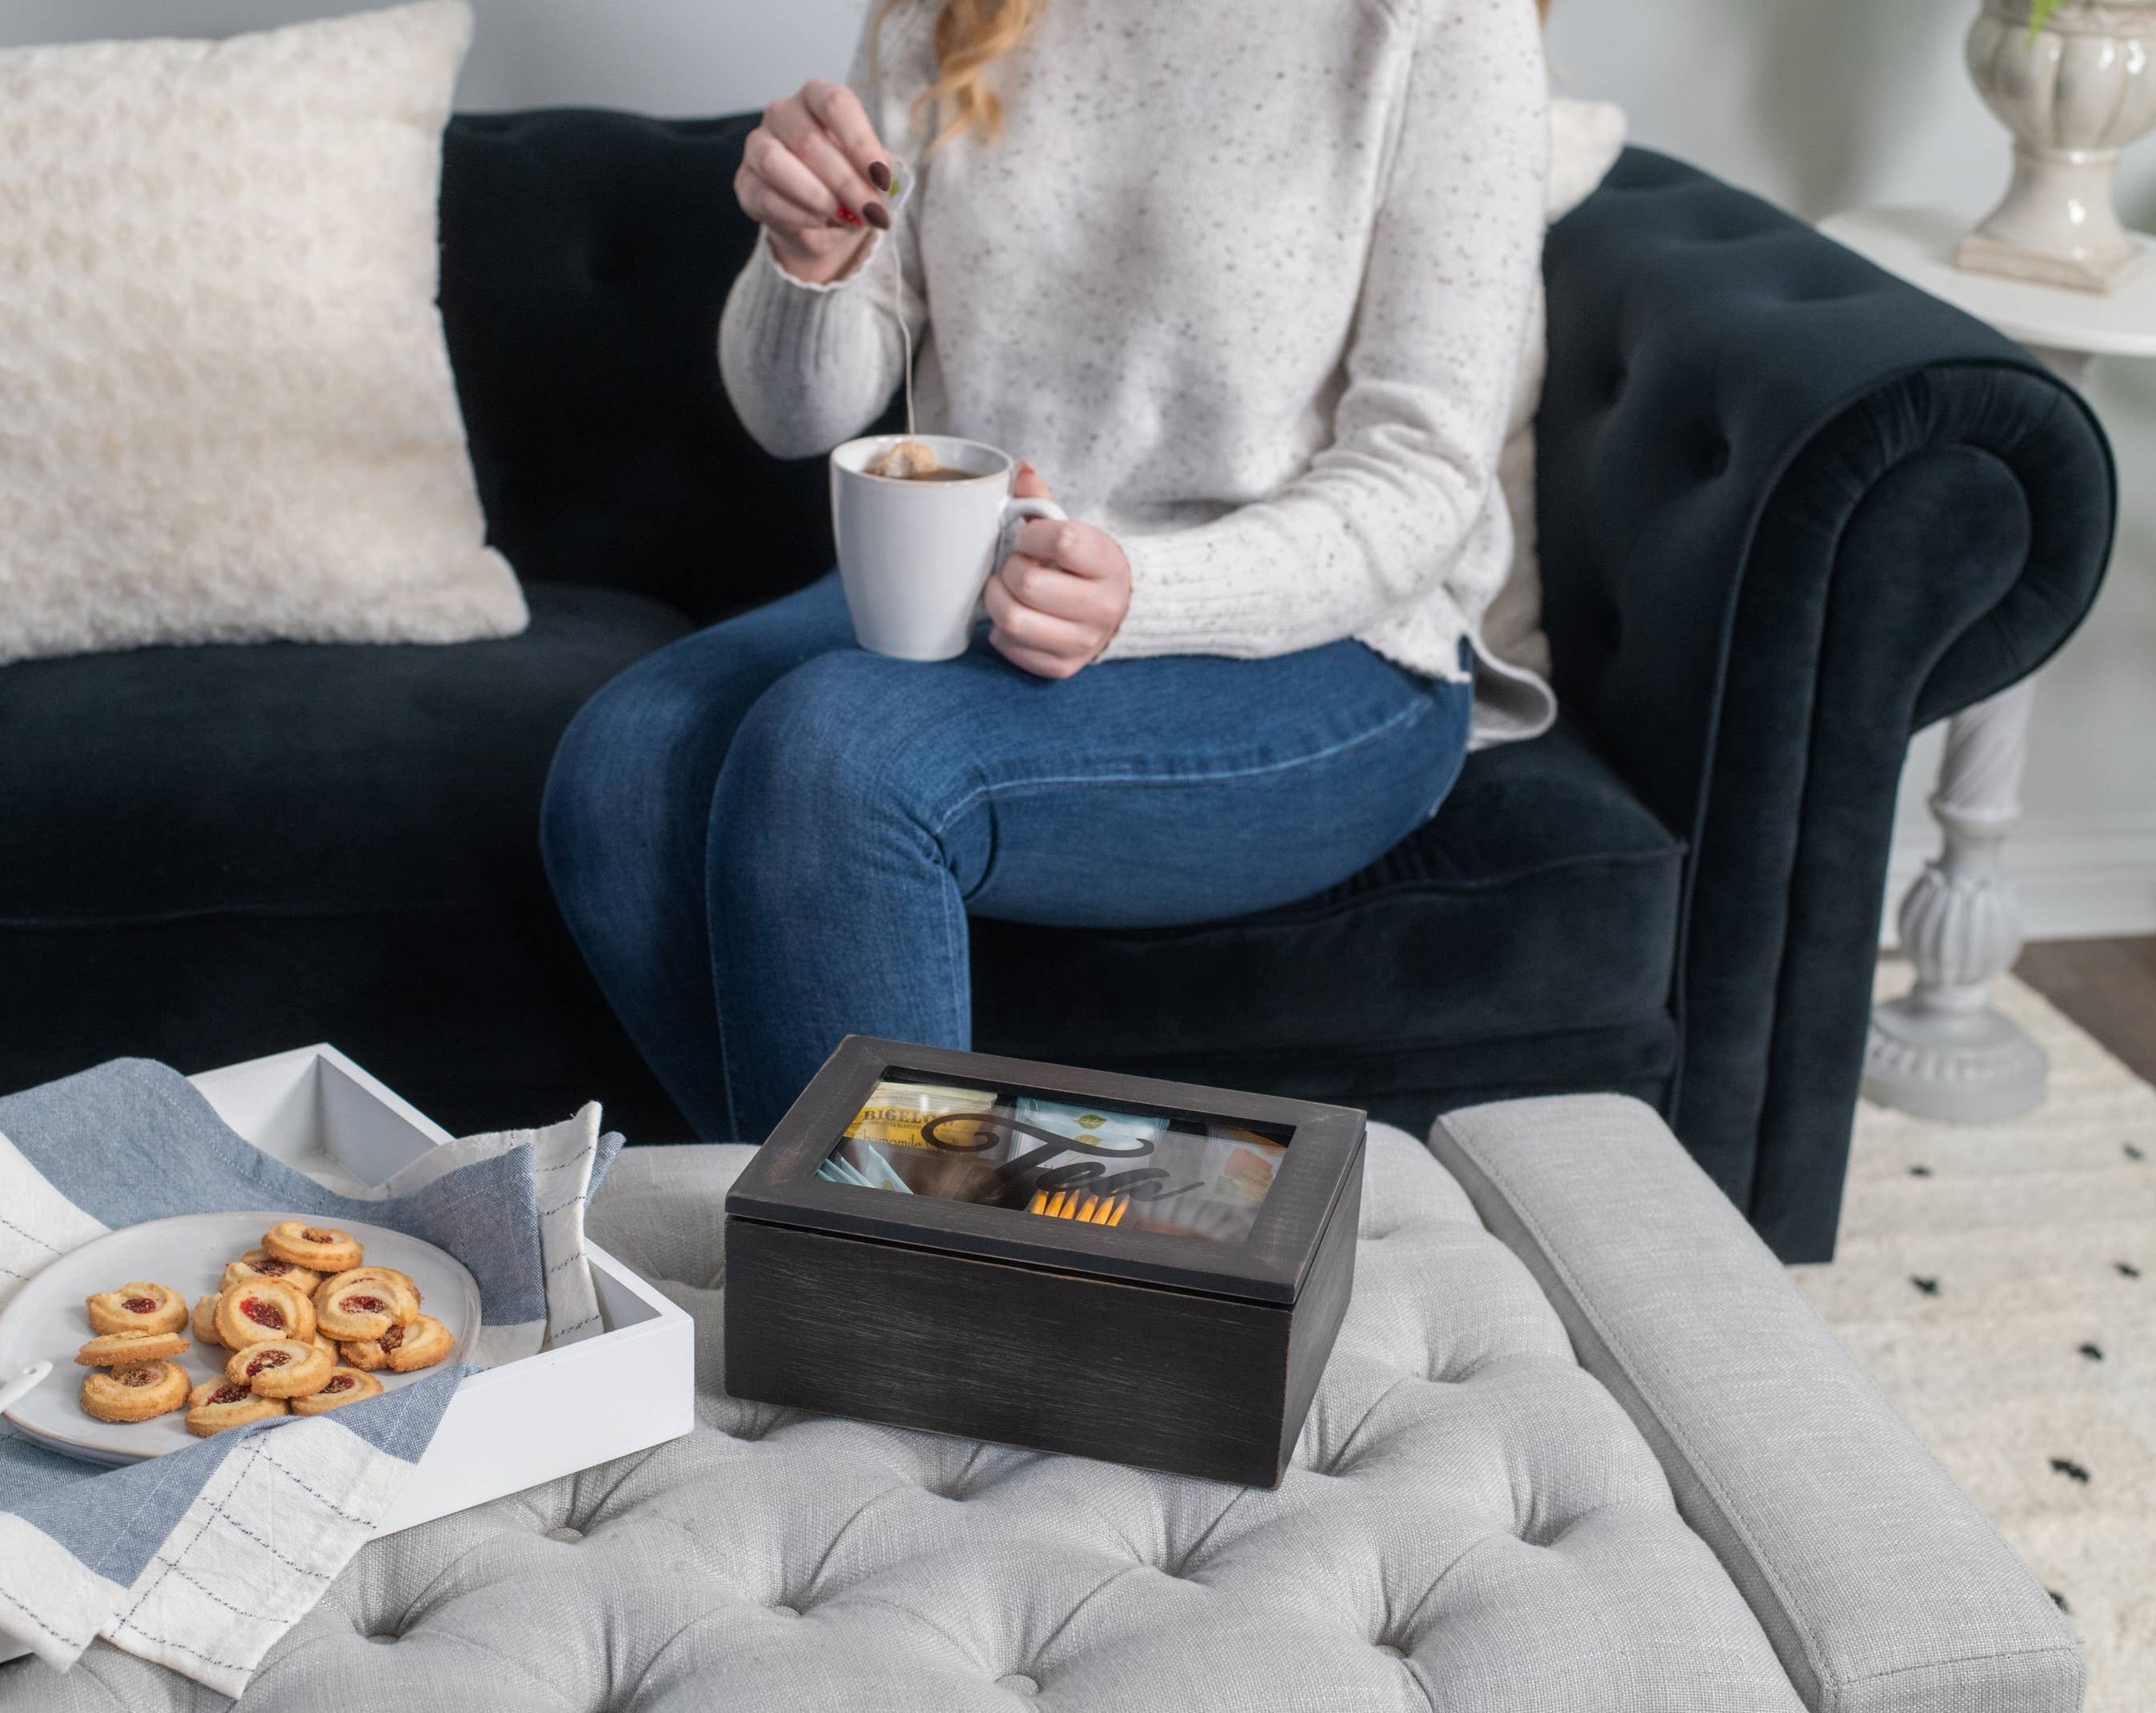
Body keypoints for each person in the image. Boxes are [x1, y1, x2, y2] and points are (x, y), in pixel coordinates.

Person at [544, 0, 1556, 1141]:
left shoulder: (1437, 23)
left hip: (1334, 643)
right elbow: (797, 418)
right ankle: (897, 1244)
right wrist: (808, 260)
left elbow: (1423, 473)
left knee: (840, 754)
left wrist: (1145, 595)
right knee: (623, 763)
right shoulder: (952, 12)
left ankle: (898, 1299)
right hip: (985, 576)